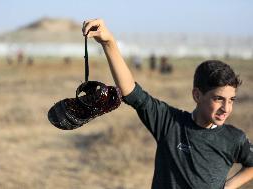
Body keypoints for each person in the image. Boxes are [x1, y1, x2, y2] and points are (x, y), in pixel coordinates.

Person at [82, 19, 253, 189]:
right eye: (218, 99)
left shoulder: (233, 138)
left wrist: (228, 186)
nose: (226, 108)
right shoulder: (170, 123)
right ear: (197, 95)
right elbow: (130, 91)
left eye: (231, 100)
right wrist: (108, 42)